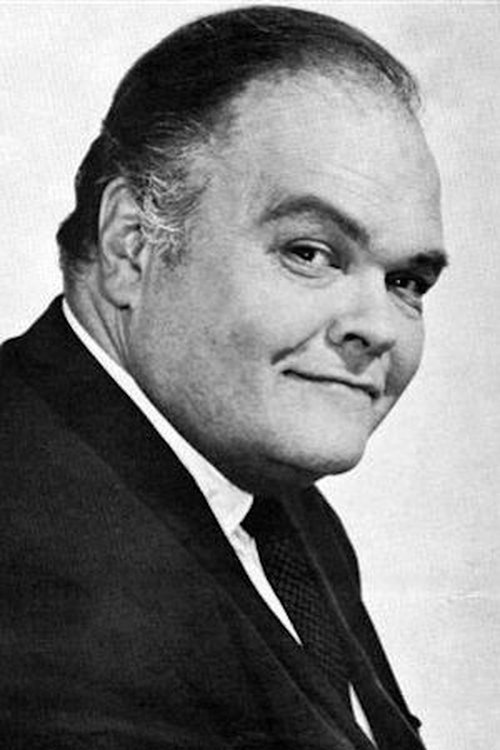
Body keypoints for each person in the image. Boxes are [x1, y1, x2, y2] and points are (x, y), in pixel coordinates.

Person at [0, 5, 447, 749]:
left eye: (407, 281)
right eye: (309, 252)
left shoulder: (275, 506)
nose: (380, 328)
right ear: (132, 245)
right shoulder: (33, 560)